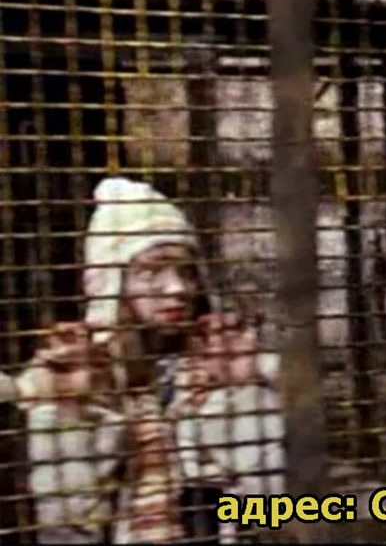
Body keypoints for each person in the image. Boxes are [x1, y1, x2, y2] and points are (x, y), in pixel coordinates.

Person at [11, 176, 284, 543]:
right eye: (150, 271)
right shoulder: (75, 370)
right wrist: (72, 416)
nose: (178, 288)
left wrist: (244, 391)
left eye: (187, 271)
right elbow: (61, 531)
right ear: (113, 282)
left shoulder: (215, 363)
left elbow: (276, 511)